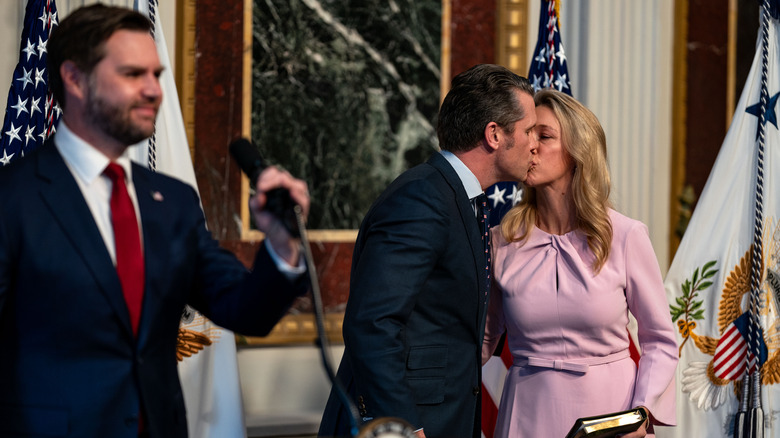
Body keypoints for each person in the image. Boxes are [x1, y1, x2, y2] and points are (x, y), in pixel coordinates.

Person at [0, 5, 310, 438]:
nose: (153, 91)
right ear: (73, 78)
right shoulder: (12, 197)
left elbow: (243, 310)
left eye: (157, 75)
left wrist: (280, 243)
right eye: (132, 74)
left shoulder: (171, 202)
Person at [318, 64, 538, 438]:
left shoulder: (461, 199)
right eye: (529, 130)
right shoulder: (421, 199)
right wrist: (404, 425)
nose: (535, 143)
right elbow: (372, 323)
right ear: (494, 134)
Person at [482, 89, 677, 437]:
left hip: (611, 417)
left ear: (577, 151)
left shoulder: (626, 236)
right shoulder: (501, 241)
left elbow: (660, 340)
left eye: (544, 136)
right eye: (528, 135)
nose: (531, 146)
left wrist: (641, 413)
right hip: (525, 414)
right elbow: (481, 341)